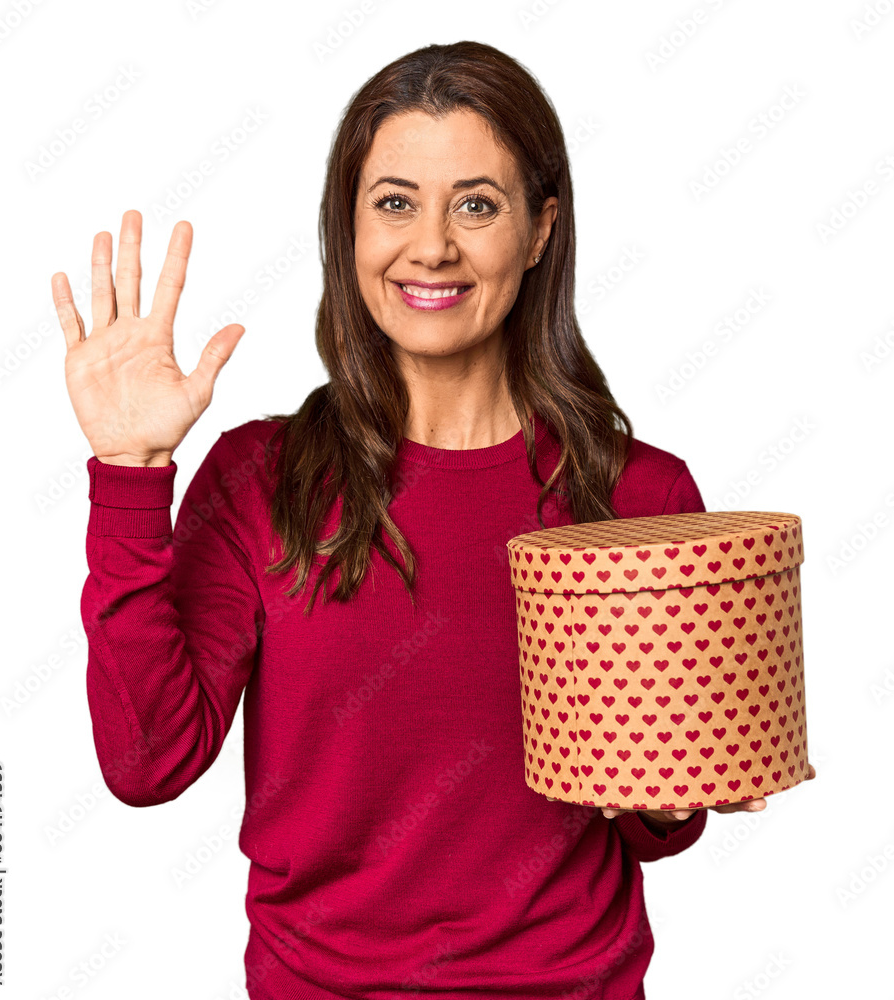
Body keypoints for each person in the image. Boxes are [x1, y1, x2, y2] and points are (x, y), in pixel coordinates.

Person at [52, 40, 814, 1000]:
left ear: (540, 231)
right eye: (395, 201)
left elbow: (658, 827)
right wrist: (129, 473)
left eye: (477, 205)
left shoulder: (639, 500)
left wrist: (676, 791)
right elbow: (148, 764)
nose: (432, 247)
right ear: (350, 225)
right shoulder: (260, 478)